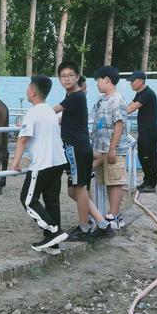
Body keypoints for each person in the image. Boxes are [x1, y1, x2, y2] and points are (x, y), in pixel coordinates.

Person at [54, 61, 112, 241]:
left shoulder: (75, 96)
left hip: (76, 147)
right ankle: (102, 223)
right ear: (59, 79)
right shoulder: (73, 96)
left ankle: (84, 228)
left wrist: (32, 118)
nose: (67, 79)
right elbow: (62, 118)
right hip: (78, 147)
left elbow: (52, 111)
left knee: (79, 188)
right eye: (63, 76)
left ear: (77, 77)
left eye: (70, 75)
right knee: (74, 191)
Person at [11, 75, 68, 254]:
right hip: (58, 162)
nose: (27, 90)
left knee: (28, 200)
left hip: (42, 164)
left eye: (28, 87)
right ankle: (53, 245)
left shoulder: (33, 112)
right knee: (52, 202)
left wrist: (15, 164)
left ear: (33, 91)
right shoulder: (49, 111)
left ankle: (53, 231)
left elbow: (22, 140)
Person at [91, 66, 130, 229]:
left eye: (98, 80)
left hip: (114, 149)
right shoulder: (101, 101)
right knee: (107, 181)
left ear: (107, 79)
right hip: (100, 149)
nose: (97, 84)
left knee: (115, 182)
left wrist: (113, 148)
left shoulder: (117, 100)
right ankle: (108, 214)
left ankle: (113, 215)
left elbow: (119, 125)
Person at [126, 71, 157, 193]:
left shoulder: (147, 94)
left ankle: (151, 184)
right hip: (144, 130)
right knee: (143, 156)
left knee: (148, 157)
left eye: (132, 81)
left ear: (140, 81)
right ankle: (147, 181)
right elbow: (129, 105)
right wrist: (120, 107)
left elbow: (131, 109)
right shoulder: (140, 93)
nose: (131, 84)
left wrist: (117, 112)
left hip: (149, 131)